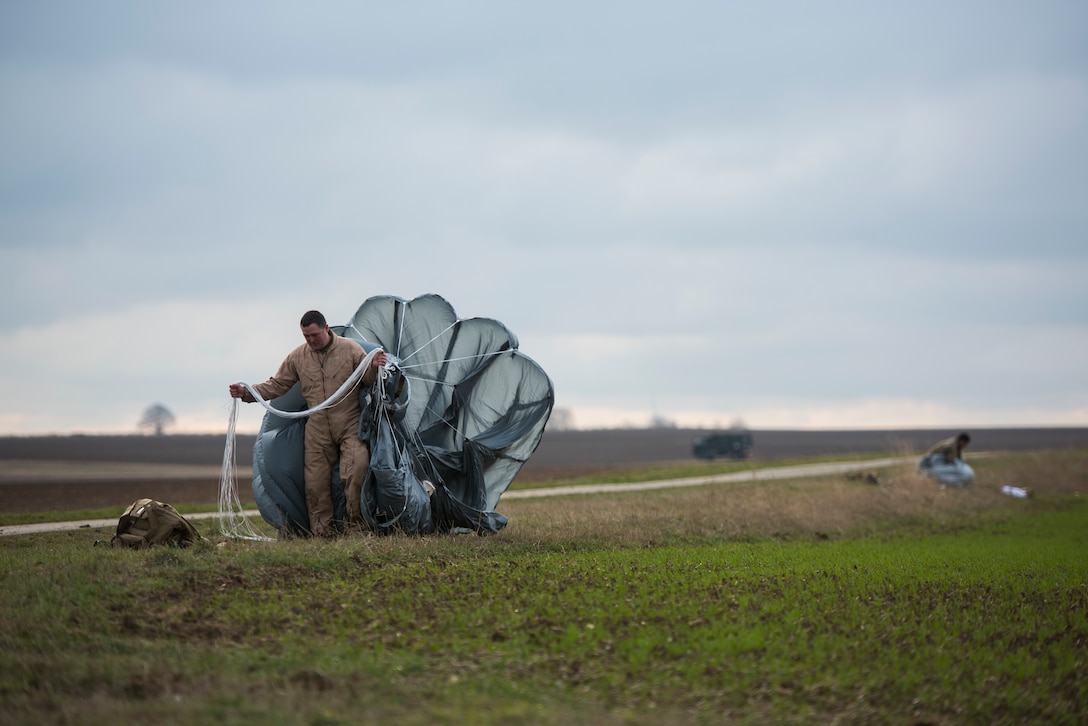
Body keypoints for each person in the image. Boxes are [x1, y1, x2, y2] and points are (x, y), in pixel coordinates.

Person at [229, 310, 387, 537]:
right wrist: (247, 392)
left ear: (326, 328)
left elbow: (367, 380)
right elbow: (277, 385)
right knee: (315, 484)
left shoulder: (350, 350)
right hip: (317, 428)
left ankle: (357, 530)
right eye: (306, 336)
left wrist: (374, 365)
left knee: (356, 471)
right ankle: (323, 534)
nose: (311, 340)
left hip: (349, 422)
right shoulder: (297, 357)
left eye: (314, 335)